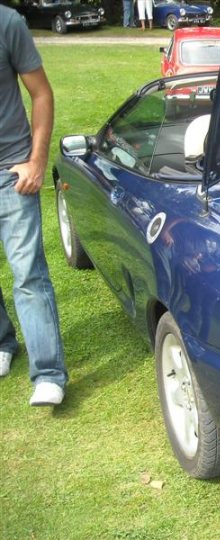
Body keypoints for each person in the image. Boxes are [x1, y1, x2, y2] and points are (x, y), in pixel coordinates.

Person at [0, 5, 68, 405]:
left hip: (11, 171)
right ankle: (3, 344)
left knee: (27, 271)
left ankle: (48, 372)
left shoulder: (7, 22)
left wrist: (37, 160)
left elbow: (41, 93)